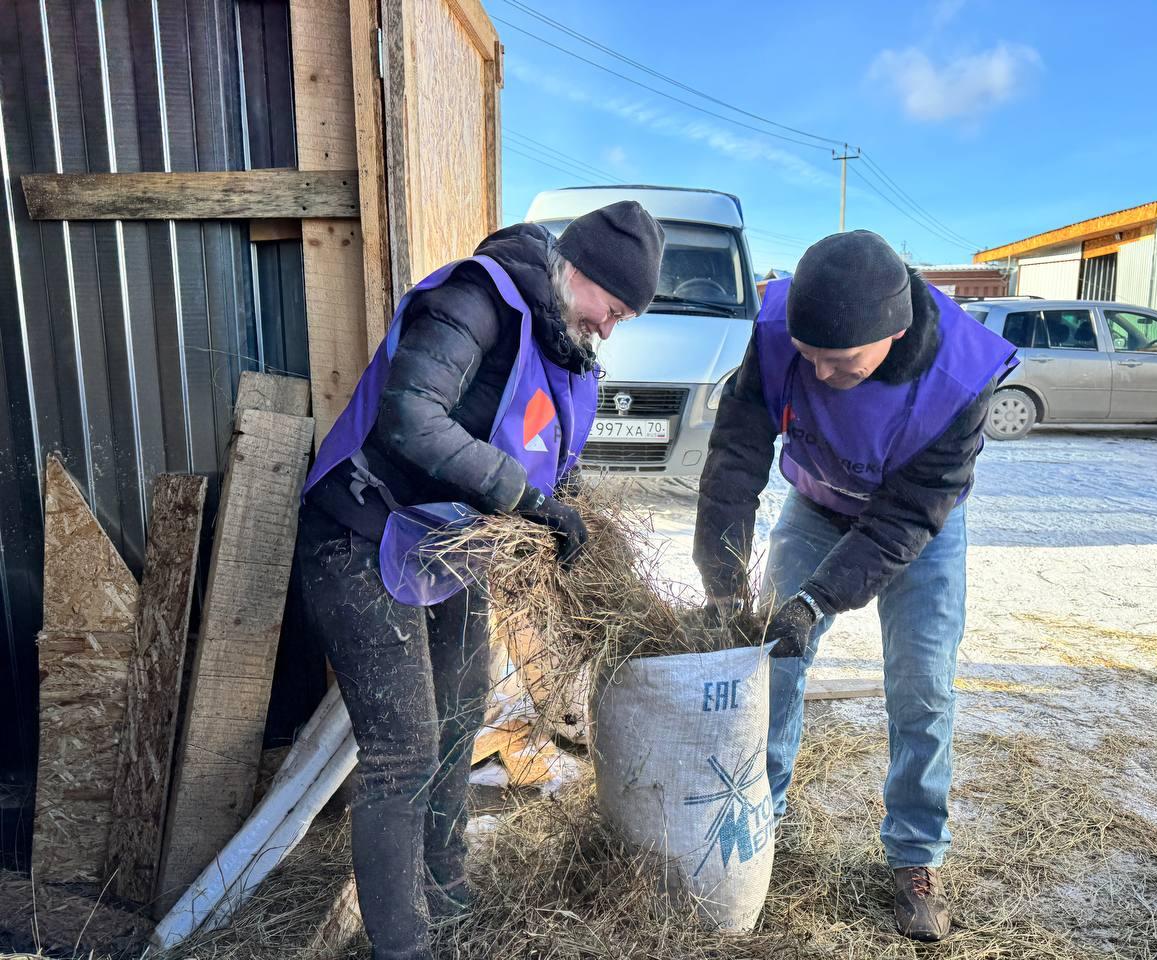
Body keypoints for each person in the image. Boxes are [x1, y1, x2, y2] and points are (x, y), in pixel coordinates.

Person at [294, 201, 664, 960]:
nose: (610, 326)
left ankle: (446, 891)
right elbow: (411, 419)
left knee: (460, 720)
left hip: (447, 548)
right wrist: (525, 501)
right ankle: (405, 947)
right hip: (359, 533)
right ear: (580, 271)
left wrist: (567, 516)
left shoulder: (564, 343)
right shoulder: (477, 300)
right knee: (403, 753)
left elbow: (552, 450)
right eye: (613, 308)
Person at [693, 229, 1017, 943]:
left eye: (838, 362)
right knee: (772, 658)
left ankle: (915, 854)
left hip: (917, 529)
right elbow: (737, 456)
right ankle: (758, 817)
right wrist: (723, 583)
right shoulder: (781, 331)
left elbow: (905, 521)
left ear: (894, 332)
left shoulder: (961, 379)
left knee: (923, 684)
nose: (818, 371)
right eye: (808, 357)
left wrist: (820, 598)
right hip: (815, 503)